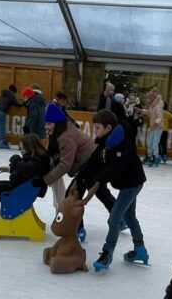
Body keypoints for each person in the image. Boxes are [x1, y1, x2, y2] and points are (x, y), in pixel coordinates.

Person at [76, 109, 148, 272]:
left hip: (132, 184)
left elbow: (115, 169)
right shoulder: (106, 140)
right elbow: (95, 159)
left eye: (98, 128)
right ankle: (140, 250)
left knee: (114, 218)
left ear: (108, 128)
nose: (95, 131)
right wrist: (82, 174)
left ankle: (107, 253)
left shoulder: (122, 143)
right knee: (129, 216)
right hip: (127, 183)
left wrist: (98, 181)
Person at [0, 134, 51, 232]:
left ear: (30, 148)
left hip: (19, 192)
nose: (21, 151)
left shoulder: (36, 161)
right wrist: (10, 169)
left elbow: (25, 168)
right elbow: (25, 170)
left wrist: (15, 159)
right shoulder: (37, 159)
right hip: (22, 189)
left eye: (22, 149)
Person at [41, 102, 98, 212]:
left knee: (73, 194)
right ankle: (120, 220)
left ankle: (76, 226)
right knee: (101, 192)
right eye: (45, 124)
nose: (45, 127)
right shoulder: (59, 131)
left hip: (91, 163)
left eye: (48, 124)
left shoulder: (66, 137)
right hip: (89, 162)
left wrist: (45, 180)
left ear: (57, 123)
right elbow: (52, 153)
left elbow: (65, 165)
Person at [143, 86, 164, 167]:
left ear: (152, 98)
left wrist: (156, 122)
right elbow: (150, 112)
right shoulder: (153, 105)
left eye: (148, 98)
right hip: (153, 127)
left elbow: (160, 117)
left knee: (154, 143)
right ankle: (149, 156)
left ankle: (155, 157)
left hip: (157, 128)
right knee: (150, 142)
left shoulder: (157, 106)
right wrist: (142, 111)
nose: (147, 100)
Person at [0, 84, 19, 149]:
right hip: (1, 111)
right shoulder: (11, 95)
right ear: (13, 91)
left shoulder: (4, 94)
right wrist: (23, 104)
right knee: (1, 127)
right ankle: (2, 143)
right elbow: (17, 104)